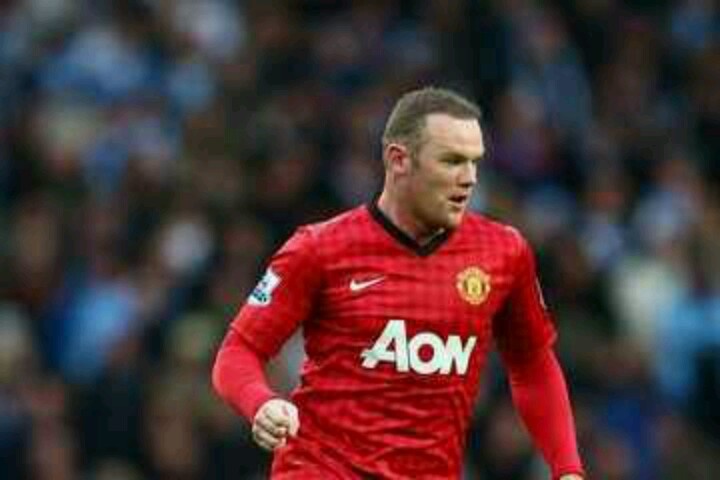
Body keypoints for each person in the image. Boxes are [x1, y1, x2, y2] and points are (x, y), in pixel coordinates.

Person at [212, 87, 585, 479]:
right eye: (452, 161)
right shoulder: (320, 248)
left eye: (474, 162)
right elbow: (238, 352)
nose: (469, 178)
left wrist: (567, 469)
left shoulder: (503, 252)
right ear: (398, 159)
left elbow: (532, 364)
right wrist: (261, 403)